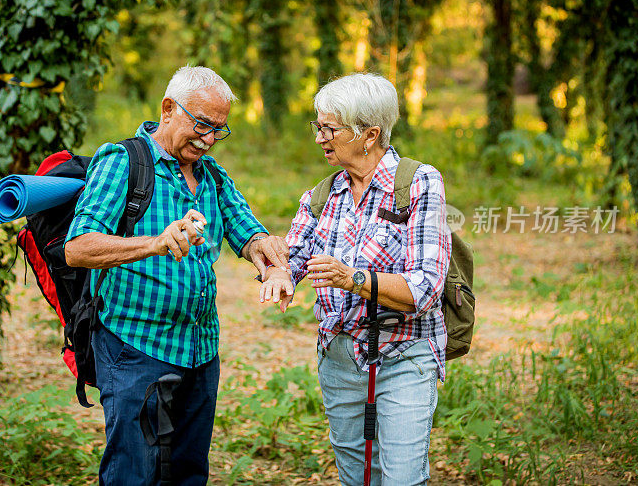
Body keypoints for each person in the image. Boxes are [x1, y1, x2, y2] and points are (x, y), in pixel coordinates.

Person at [64, 66, 289, 486]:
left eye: (218, 130)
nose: (207, 140)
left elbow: (248, 232)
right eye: (201, 125)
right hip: (136, 348)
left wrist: (269, 258)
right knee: (135, 471)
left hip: (200, 350)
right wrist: (154, 243)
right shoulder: (123, 161)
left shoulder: (212, 175)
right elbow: (78, 247)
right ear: (168, 108)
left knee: (188, 471)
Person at [259, 73, 451, 485]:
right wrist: (276, 271)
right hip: (340, 359)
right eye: (318, 126)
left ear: (369, 134)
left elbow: (427, 287)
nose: (319, 137)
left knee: (400, 477)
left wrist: (353, 279)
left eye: (329, 128)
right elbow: (292, 257)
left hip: (404, 355)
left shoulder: (418, 183)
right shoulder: (323, 195)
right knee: (356, 477)